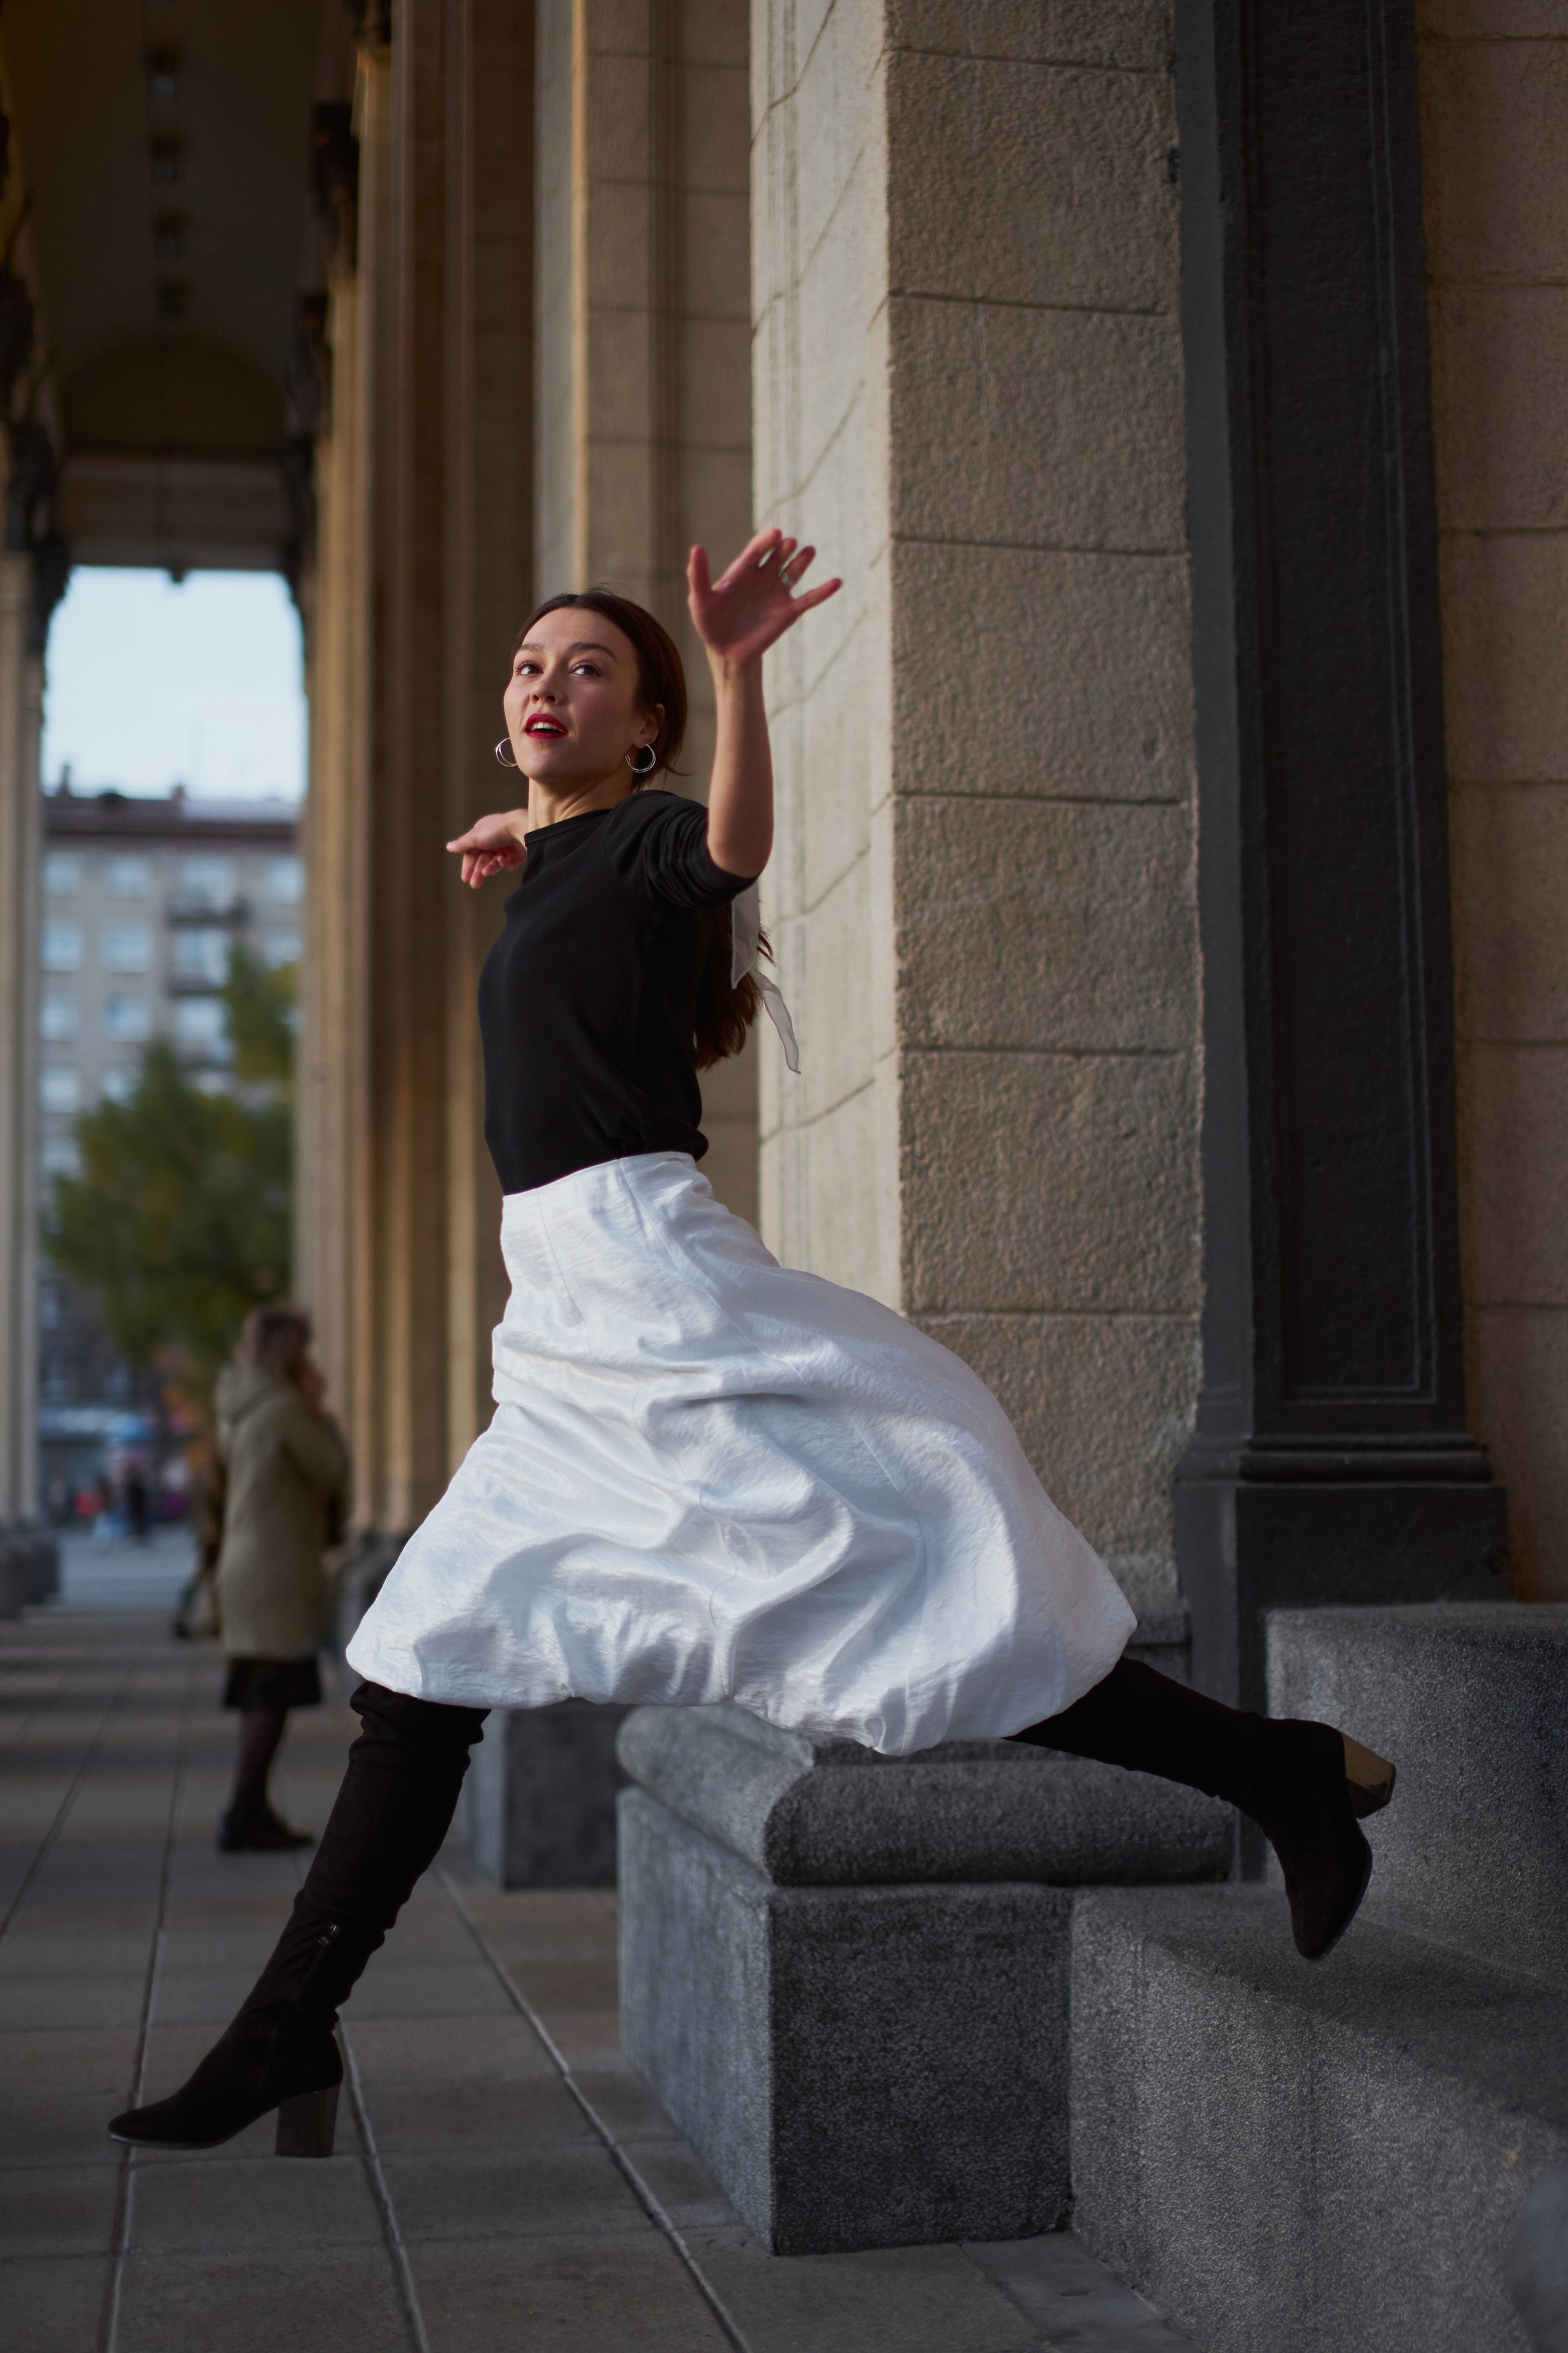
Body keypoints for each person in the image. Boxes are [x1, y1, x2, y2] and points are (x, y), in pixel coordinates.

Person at [110, 529, 1393, 2159]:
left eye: (587, 667)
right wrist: (527, 831)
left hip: (655, 1292)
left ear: (646, 721)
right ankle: (291, 2033)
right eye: (525, 664)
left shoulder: (651, 834)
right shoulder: (567, 849)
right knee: (417, 1663)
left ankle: (1277, 1774)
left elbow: (726, 852)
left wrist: (735, 672)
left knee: (891, 1606)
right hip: (561, 1323)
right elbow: (594, 870)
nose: (542, 682)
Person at [209, 1307, 350, 1854]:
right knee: (273, 1691)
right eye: (305, 1348)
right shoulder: (286, 1408)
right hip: (275, 1566)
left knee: (260, 1692)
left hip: (245, 1561)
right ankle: (243, 1813)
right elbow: (332, 1469)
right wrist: (320, 1409)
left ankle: (250, 1807)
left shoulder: (238, 1405)